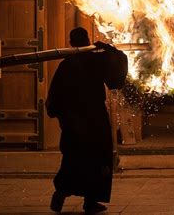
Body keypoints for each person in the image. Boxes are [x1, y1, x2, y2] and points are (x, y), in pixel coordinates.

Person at [46, 27, 128, 214]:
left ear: (71, 43)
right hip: (93, 118)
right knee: (96, 158)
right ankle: (88, 200)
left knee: (73, 158)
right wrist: (108, 49)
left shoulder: (65, 65)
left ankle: (64, 193)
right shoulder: (96, 60)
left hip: (73, 120)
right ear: (87, 40)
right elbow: (116, 78)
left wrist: (60, 116)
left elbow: (54, 96)